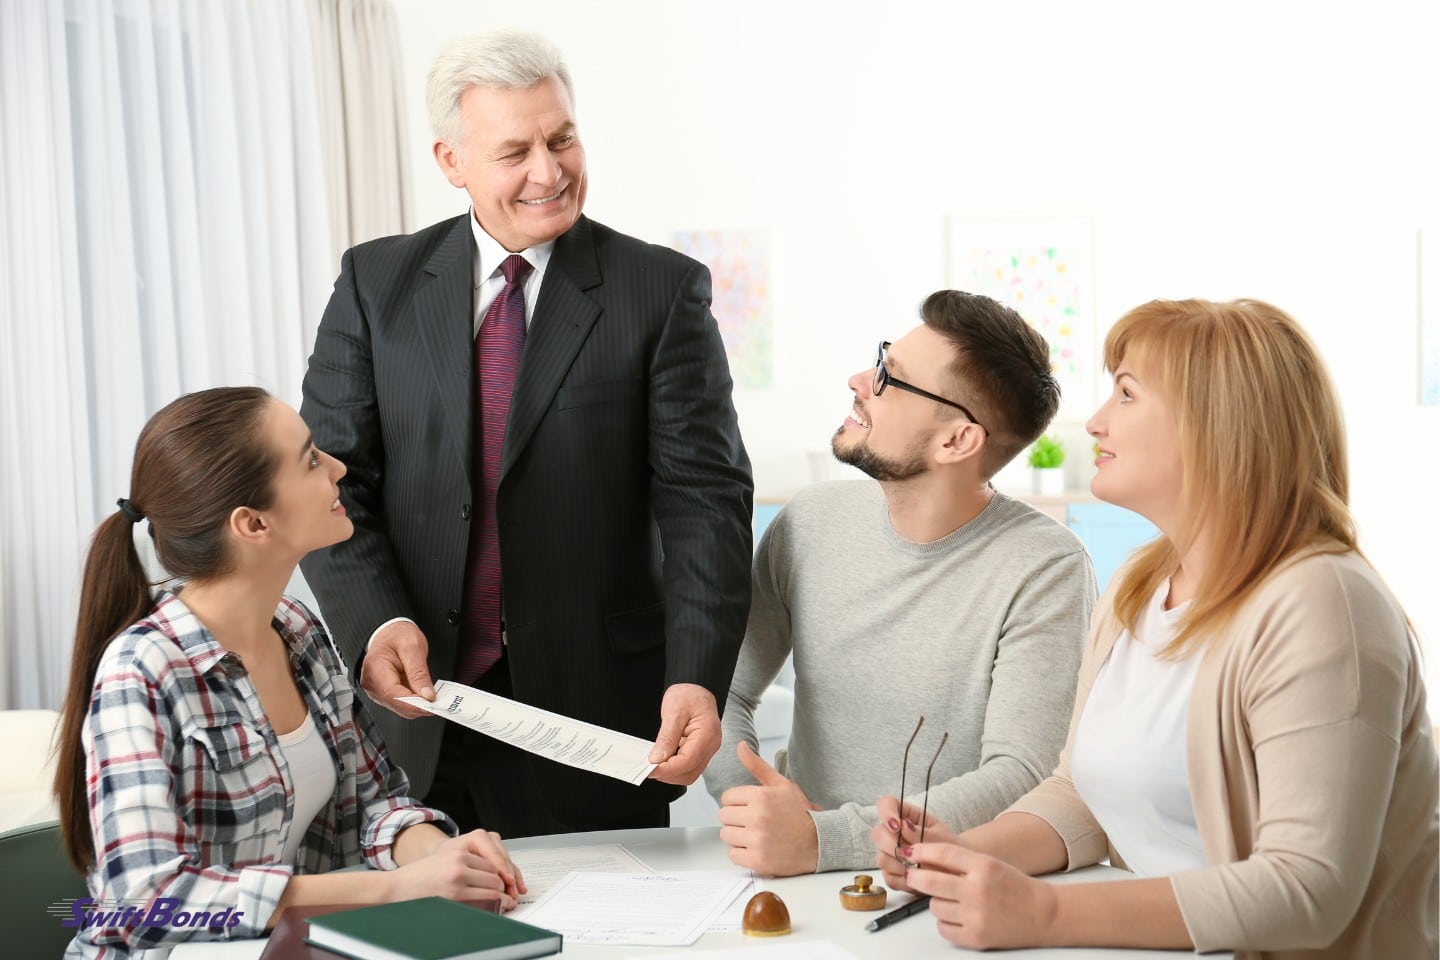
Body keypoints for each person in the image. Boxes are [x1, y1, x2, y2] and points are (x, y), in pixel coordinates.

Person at [871, 299, 1439, 958]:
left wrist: (1046, 912)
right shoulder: (1138, 585)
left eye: (1127, 394)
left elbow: (1307, 890)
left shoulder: (1322, 603)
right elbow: (1085, 794)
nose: (1096, 420)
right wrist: (959, 857)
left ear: (1216, 425)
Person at [298, 29, 752, 838]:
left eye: (563, 138)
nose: (549, 171)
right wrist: (375, 621)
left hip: (597, 724)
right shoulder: (375, 284)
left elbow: (704, 502)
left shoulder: (660, 291)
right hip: (419, 722)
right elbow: (331, 480)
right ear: (451, 160)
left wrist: (698, 676)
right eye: (515, 151)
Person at [53, 388, 523, 959]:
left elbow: (372, 802)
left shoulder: (296, 630)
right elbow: (149, 900)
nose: (339, 468)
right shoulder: (142, 672)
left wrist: (439, 855)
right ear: (252, 524)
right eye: (310, 459)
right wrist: (394, 889)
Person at [703, 290, 1096, 876]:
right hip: (788, 873)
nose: (861, 379)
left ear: (957, 440)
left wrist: (828, 839)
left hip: (939, 886)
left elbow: (1023, 775)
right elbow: (724, 693)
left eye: (891, 377)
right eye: (880, 358)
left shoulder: (1046, 566)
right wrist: (758, 808)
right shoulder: (809, 522)